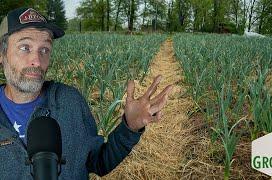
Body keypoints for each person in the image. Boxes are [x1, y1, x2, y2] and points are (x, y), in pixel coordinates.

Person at [0, 7, 173, 179]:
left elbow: (98, 162)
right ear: (2, 53)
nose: (37, 61)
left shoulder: (70, 101)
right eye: (24, 48)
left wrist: (129, 127)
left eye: (44, 49)